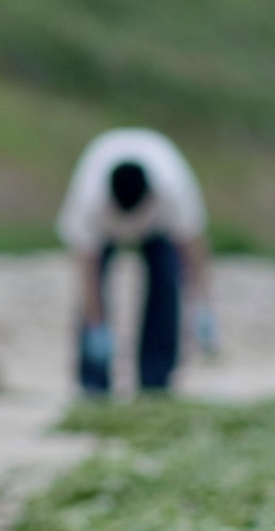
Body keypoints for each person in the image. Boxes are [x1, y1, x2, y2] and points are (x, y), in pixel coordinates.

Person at [58, 125, 213, 398]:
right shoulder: (89, 197)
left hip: (158, 230)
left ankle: (156, 381)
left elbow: (193, 248)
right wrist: (96, 325)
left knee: (166, 284)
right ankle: (94, 383)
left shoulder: (173, 187)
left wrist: (203, 306)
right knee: (90, 302)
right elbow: (87, 266)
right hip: (102, 229)